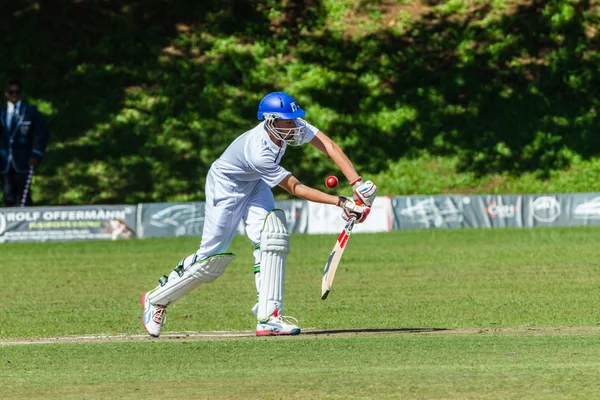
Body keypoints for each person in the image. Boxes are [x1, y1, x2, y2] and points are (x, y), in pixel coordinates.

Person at [141, 92, 378, 337]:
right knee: (211, 258)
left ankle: (269, 317)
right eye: (288, 121)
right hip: (226, 185)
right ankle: (156, 300)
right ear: (270, 121)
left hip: (254, 183)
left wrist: (356, 183)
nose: (294, 126)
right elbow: (295, 187)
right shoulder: (259, 151)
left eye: (295, 119)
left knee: (271, 236)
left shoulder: (291, 125)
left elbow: (328, 145)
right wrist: (341, 202)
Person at [0, 79, 50, 207]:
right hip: (4, 162)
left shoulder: (30, 111)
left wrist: (36, 154)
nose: (14, 95)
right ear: (6, 94)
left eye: (17, 92)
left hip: (23, 161)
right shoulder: (2, 113)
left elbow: (42, 134)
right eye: (11, 92)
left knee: (24, 196)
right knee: (7, 194)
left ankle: (25, 224)